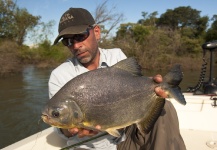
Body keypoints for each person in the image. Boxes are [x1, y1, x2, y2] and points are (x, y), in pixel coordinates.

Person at [49, 7, 186, 150]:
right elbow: (59, 124)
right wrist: (69, 129)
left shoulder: (116, 55)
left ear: (96, 32)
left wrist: (152, 90)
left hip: (123, 140)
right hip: (87, 147)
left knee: (165, 106)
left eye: (79, 36)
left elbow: (135, 86)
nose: (76, 45)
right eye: (68, 41)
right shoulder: (59, 75)